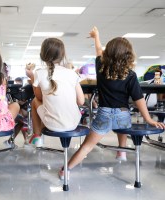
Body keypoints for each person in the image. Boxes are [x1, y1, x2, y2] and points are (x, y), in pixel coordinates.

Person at [63, 26, 165, 179]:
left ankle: (66, 170)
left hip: (104, 114)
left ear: (108, 53)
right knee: (123, 122)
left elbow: (98, 51)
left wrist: (96, 36)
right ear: (128, 55)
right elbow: (139, 101)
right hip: (123, 116)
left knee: (87, 146)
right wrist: (149, 119)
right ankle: (122, 150)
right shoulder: (131, 75)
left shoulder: (101, 68)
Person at [26, 38, 85, 148]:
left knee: (34, 101)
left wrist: (32, 76)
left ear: (42, 55)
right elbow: (81, 101)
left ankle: (37, 136)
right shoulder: (72, 73)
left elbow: (39, 97)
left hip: (52, 125)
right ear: (62, 55)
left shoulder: (39, 73)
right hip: (73, 123)